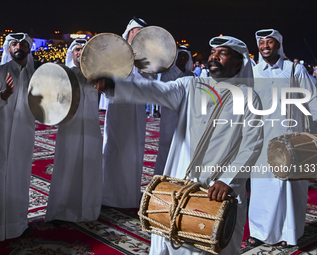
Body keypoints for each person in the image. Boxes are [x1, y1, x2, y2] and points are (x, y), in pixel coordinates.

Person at [95, 35, 264, 255]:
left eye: (222, 53)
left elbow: (252, 144)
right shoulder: (190, 85)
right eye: (213, 52)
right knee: (168, 240)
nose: (214, 56)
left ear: (237, 63)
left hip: (218, 190)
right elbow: (154, 90)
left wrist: (227, 180)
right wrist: (115, 84)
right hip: (179, 181)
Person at [247, 29, 317, 248]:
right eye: (261, 42)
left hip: (292, 140)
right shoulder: (254, 72)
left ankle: (289, 233)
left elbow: (312, 98)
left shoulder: (295, 69)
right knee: (262, 187)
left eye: (270, 42)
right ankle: (260, 231)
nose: (265, 46)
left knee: (289, 188)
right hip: (263, 139)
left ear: (279, 44)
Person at [101, 17, 157, 208]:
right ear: (129, 33)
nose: (139, 34)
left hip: (138, 110)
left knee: (134, 151)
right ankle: (108, 195)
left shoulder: (145, 56)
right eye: (136, 31)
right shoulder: (117, 53)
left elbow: (152, 79)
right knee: (115, 148)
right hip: (119, 108)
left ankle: (129, 196)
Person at [45, 39, 102, 223]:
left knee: (90, 169)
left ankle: (88, 210)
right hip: (69, 130)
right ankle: (61, 211)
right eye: (77, 49)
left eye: (84, 49)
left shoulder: (96, 75)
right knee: (67, 168)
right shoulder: (64, 74)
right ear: (72, 53)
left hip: (92, 129)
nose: (80, 52)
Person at [0, 32, 36, 240]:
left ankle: (18, 225)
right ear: (8, 48)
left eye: (22, 44)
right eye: (13, 43)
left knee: (20, 176)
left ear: (28, 49)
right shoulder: (1, 72)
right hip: (2, 133)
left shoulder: (35, 76)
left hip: (24, 133)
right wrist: (2, 96)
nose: (18, 47)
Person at [154, 45, 194, 175]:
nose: (182, 58)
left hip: (185, 116)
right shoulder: (167, 75)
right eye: (180, 55)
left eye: (185, 56)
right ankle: (160, 177)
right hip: (170, 115)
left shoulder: (191, 75)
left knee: (182, 148)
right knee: (166, 146)